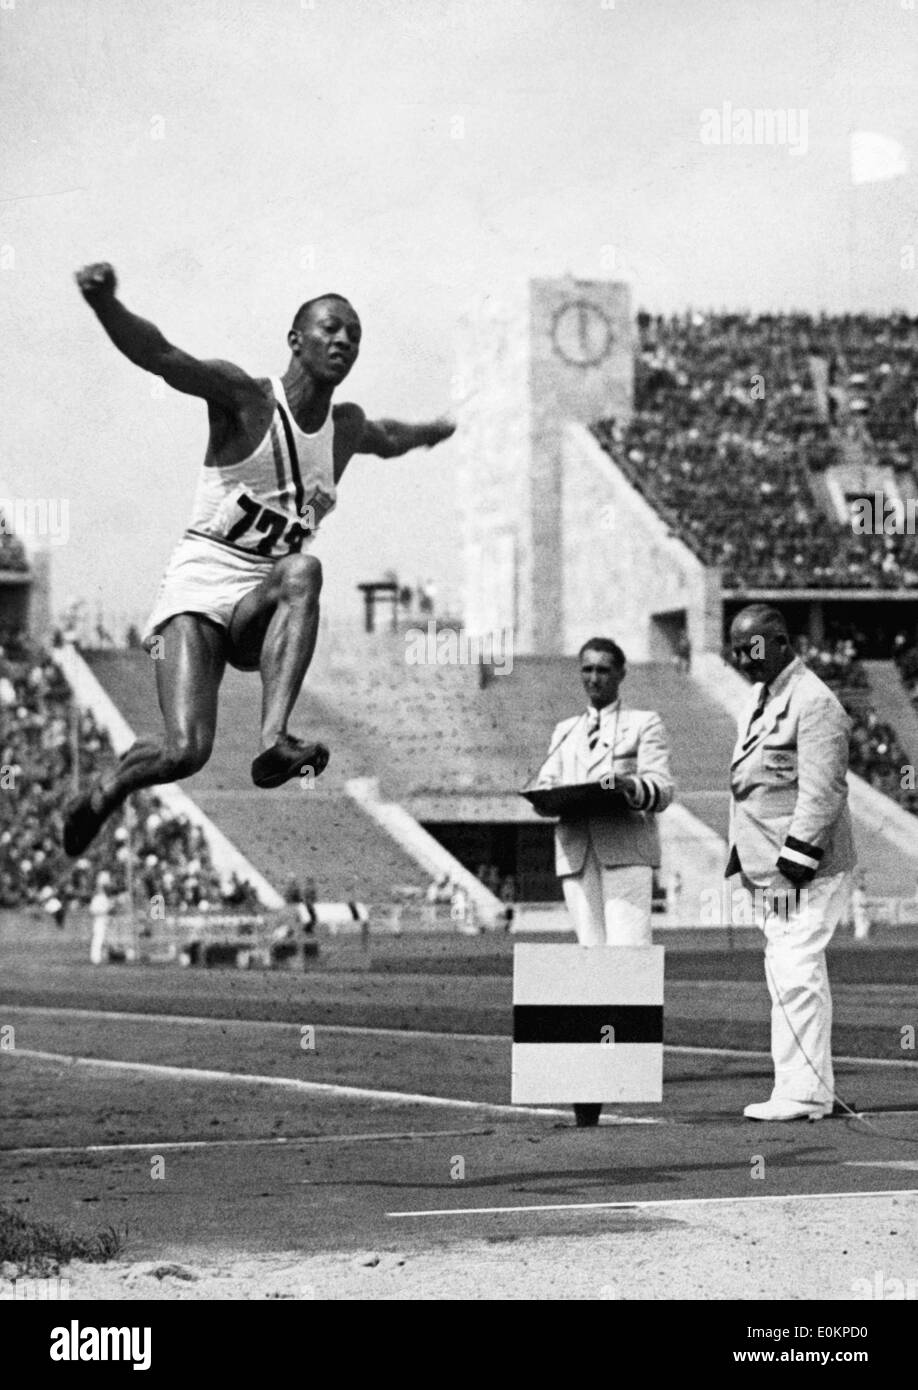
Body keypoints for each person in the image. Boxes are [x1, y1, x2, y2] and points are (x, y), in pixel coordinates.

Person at [63, 264, 455, 856]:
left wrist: (439, 429)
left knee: (303, 570)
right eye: (331, 328)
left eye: (355, 333)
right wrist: (105, 304)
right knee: (184, 752)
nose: (344, 340)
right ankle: (108, 787)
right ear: (296, 341)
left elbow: (390, 437)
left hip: (260, 601)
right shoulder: (245, 398)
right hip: (199, 588)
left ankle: (275, 739)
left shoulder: (343, 427)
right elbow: (162, 356)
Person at [534, 637, 674, 1127]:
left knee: (629, 956)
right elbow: (545, 782)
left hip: (625, 848)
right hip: (576, 851)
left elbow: (663, 788)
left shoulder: (643, 723)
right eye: (587, 670)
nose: (594, 678)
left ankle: (620, 1064)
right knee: (590, 959)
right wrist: (546, 796)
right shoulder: (565, 731)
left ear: (620, 674)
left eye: (603, 670)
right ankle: (592, 1080)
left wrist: (628, 786)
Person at [726, 604, 856, 1122]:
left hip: (804, 867)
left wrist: (793, 866)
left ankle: (803, 1094)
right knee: (789, 971)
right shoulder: (759, 699)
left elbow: (823, 792)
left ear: (781, 642)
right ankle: (809, 1087)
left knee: (795, 970)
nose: (742, 657)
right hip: (768, 866)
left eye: (751, 647)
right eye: (736, 648)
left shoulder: (813, 702)